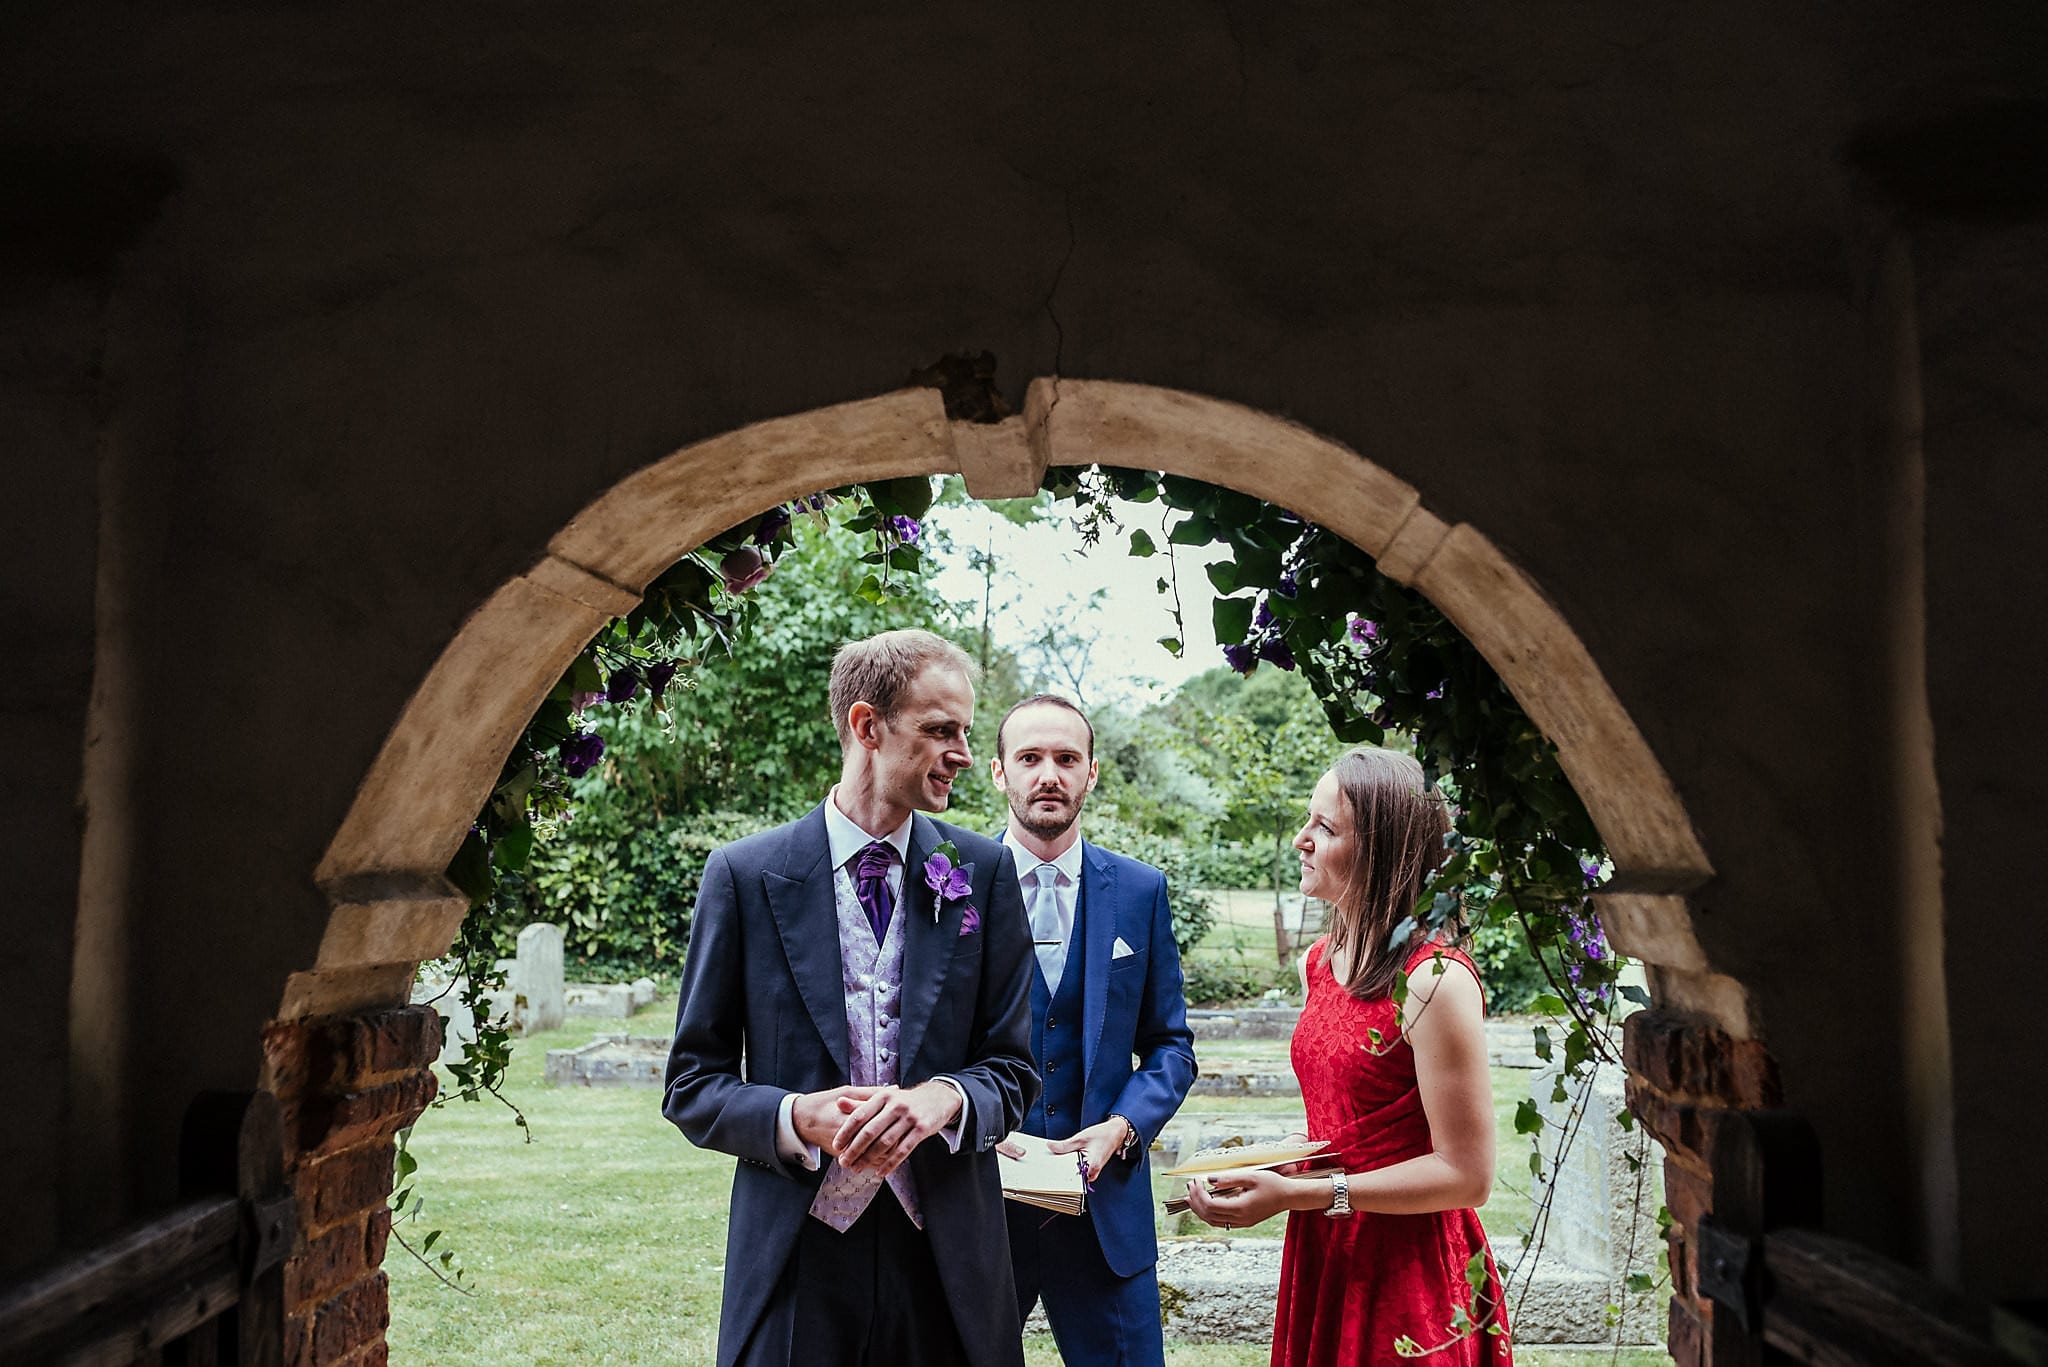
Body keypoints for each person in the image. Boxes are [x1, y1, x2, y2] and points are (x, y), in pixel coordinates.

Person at [662, 629, 1038, 1367]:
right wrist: (795, 1115)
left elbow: (1016, 1067)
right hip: (797, 1254)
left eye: (964, 730)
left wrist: (945, 1098)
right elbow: (691, 1084)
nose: (963, 752)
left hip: (947, 1256)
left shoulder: (984, 871)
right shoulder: (744, 875)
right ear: (867, 726)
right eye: (939, 730)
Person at [1185, 747, 1511, 1366]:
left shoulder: (1433, 980)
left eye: (1326, 829)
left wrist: (1301, 1195)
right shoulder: (1320, 962)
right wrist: (1272, 1168)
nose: (1301, 841)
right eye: (1308, 821)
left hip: (1408, 1273)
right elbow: (1348, 1125)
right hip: (1327, 1249)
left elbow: (1469, 1175)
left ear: (1384, 852)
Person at [991, 694, 1197, 1367]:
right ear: (999, 773)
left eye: (1065, 758)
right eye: (1030, 757)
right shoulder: (951, 882)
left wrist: (1122, 1126)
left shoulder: (1141, 890)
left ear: (1091, 772)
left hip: (1104, 1211)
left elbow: (1171, 1044)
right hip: (980, 1209)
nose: (1048, 773)